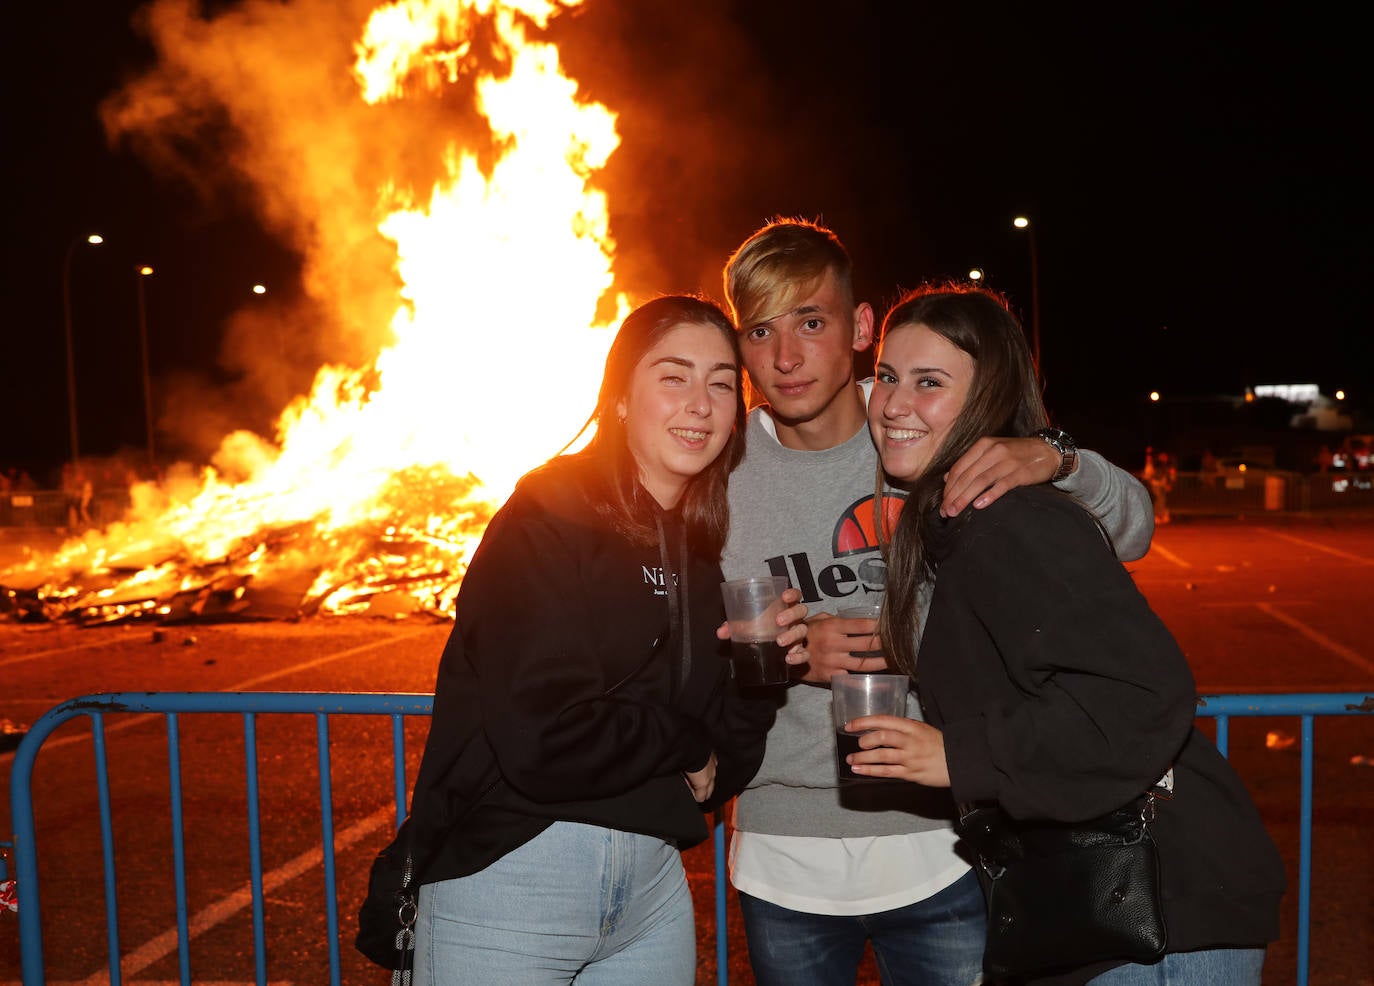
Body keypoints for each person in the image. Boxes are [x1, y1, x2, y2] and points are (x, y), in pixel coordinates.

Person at [719, 218, 1156, 986]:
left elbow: (1131, 527)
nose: (785, 357)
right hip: (783, 857)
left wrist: (1056, 457)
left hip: (942, 846)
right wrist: (776, 655)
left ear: (860, 328)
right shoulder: (720, 468)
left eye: (810, 322)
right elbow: (677, 635)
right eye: (760, 330)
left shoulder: (917, 423)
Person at [847, 283, 1284, 984]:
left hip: (1158, 919)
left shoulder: (1011, 520)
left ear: (986, 397)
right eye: (889, 378)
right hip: (1099, 911)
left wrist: (960, 755)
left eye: (930, 383)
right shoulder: (954, 524)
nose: (895, 404)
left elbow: (1143, 693)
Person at [400, 295, 805, 985]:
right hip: (513, 876)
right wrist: (681, 741)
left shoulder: (700, 550)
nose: (701, 404)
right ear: (620, 398)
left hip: (650, 893)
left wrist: (756, 675)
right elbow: (544, 739)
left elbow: (717, 773)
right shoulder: (550, 512)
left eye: (719, 382)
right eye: (673, 376)